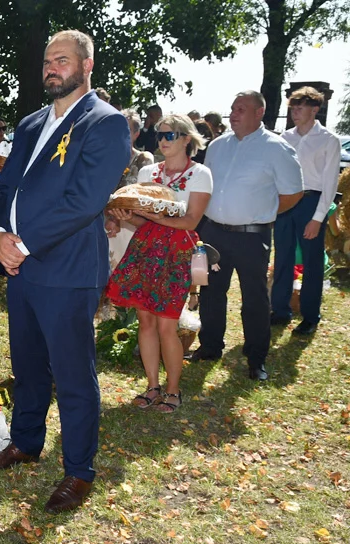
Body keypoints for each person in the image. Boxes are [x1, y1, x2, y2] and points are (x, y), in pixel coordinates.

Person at [0, 30, 131, 513]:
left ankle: (79, 471)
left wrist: (23, 243)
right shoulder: (29, 124)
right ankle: (25, 441)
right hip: (18, 267)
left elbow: (84, 201)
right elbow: (3, 187)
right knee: (26, 364)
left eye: (62, 61)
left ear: (87, 66)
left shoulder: (105, 124)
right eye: (47, 61)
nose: (51, 69)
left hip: (64, 269)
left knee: (72, 375)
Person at [190, 91, 303, 381]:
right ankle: (210, 346)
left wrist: (264, 211)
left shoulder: (277, 148)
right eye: (232, 109)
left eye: (241, 109)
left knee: (254, 298)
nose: (233, 114)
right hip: (214, 231)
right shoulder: (217, 146)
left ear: (259, 113)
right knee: (212, 292)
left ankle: (256, 357)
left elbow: (293, 192)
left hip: (252, 236)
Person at [105, 115, 212, 412]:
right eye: (159, 135)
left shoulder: (201, 174)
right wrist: (127, 217)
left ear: (187, 139)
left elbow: (190, 220)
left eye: (171, 135)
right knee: (146, 321)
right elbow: (141, 218)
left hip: (177, 250)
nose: (163, 140)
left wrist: (150, 216)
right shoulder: (149, 172)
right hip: (146, 246)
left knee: (167, 324)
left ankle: (173, 390)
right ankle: (152, 386)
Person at [271, 86, 340, 335]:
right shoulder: (284, 138)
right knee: (282, 258)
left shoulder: (328, 140)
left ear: (315, 109)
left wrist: (318, 218)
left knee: (311, 262)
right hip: (286, 202)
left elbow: (331, 183)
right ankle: (280, 310)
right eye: (292, 108)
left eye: (300, 108)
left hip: (312, 201)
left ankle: (310, 316)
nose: (295, 112)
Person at [106, 108, 154, 270]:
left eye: (127, 130)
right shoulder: (102, 158)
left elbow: (138, 198)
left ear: (136, 134)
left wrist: (116, 219)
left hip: (129, 226)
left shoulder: (143, 160)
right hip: (104, 224)